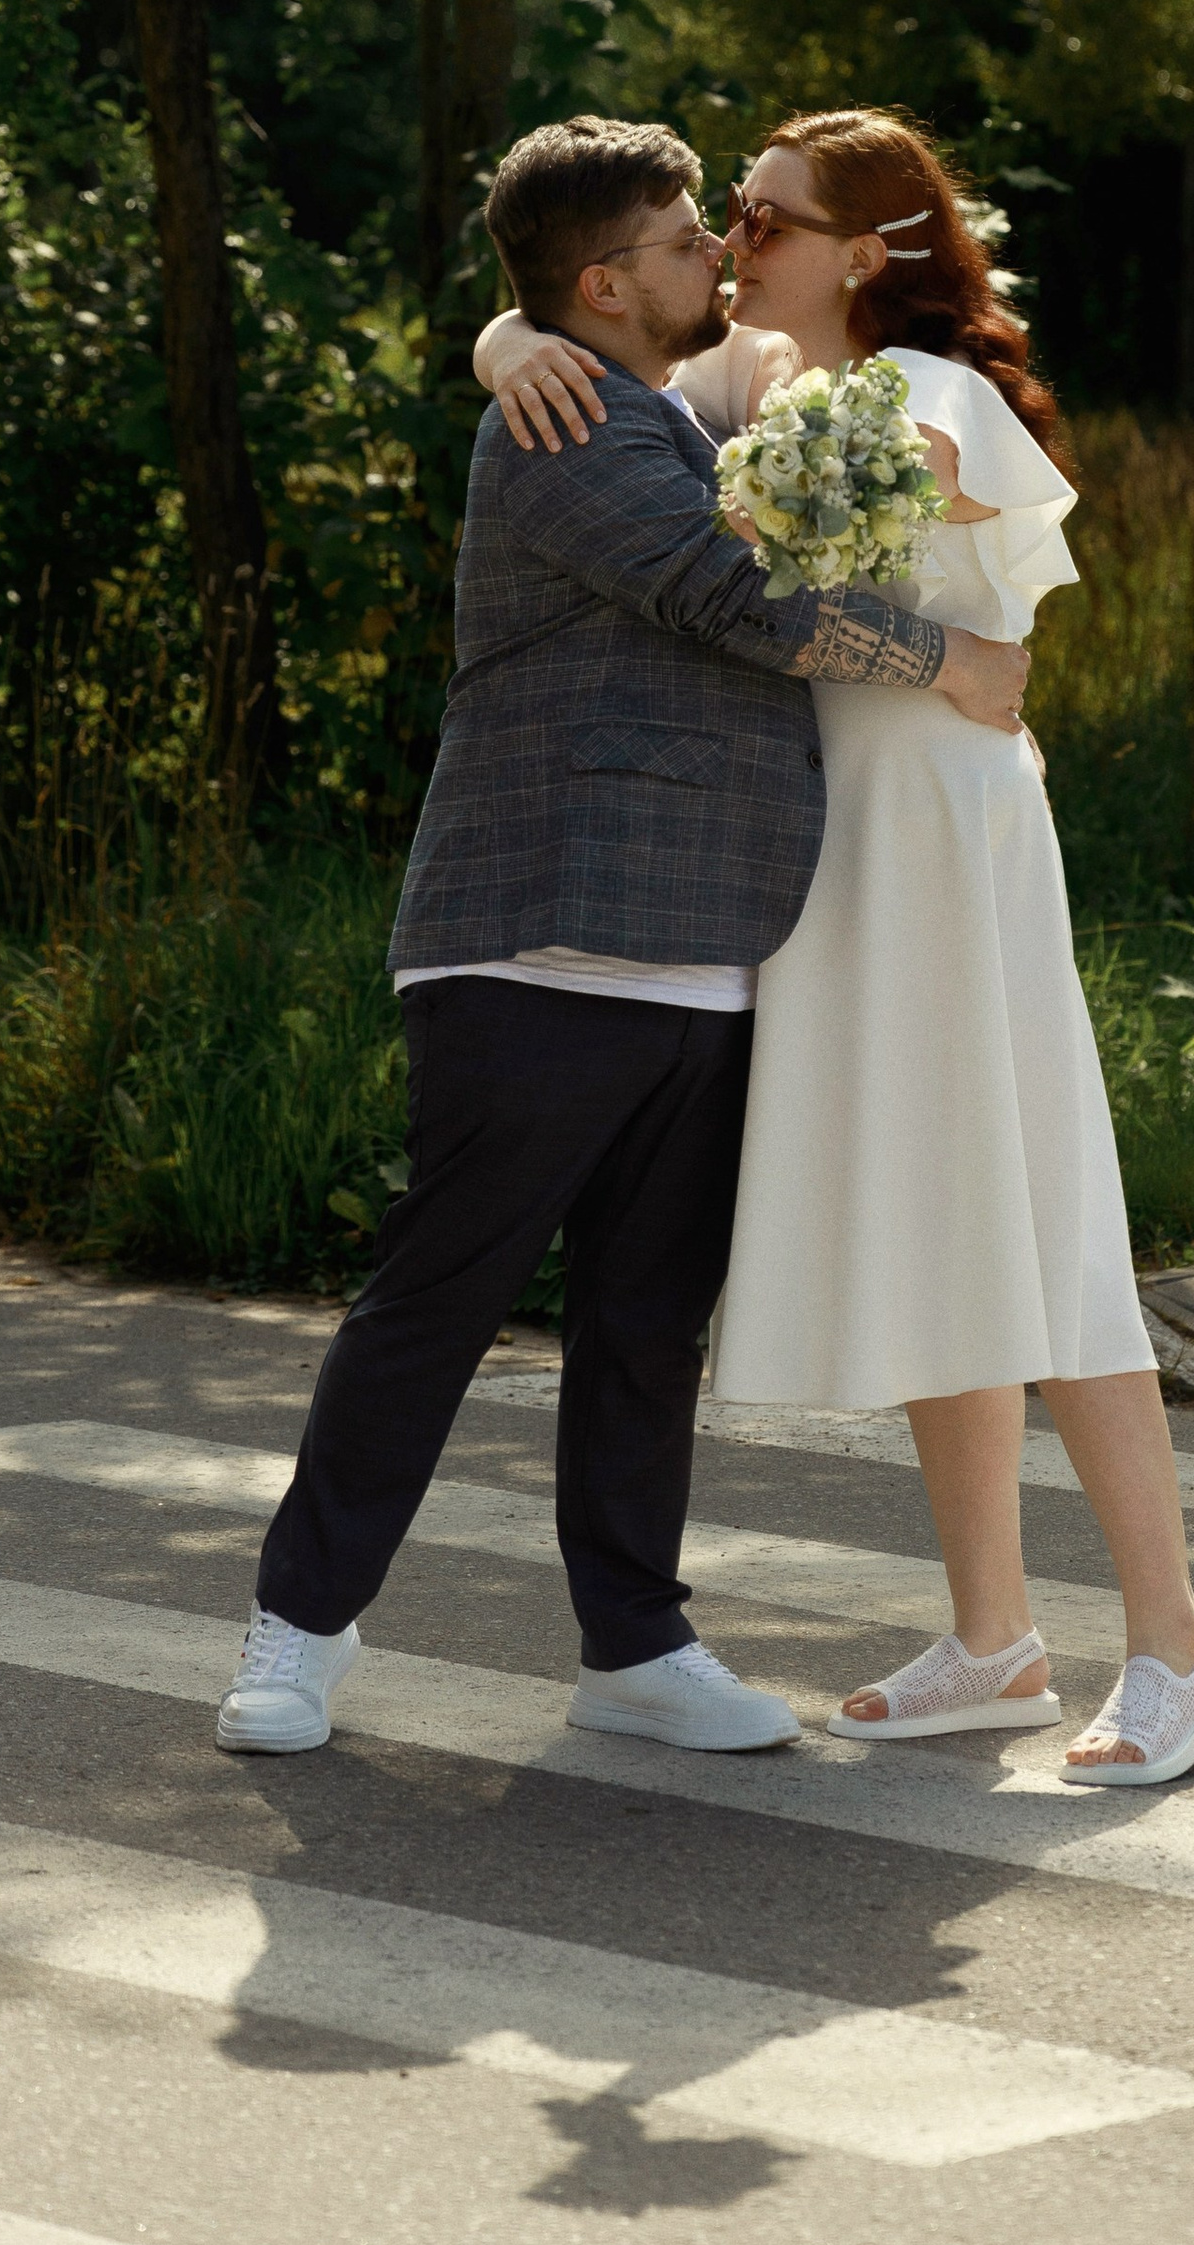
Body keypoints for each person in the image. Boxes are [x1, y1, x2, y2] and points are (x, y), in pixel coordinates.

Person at [216, 113, 1032, 1758]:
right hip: (541, 941)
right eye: (679, 243)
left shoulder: (648, 384)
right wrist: (946, 656)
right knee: (436, 1303)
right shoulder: (570, 421)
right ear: (603, 282)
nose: (716, 258)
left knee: (647, 1322)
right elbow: (725, 593)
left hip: (713, 950)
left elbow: (760, 392)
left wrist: (501, 324)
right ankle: (296, 1633)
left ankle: (635, 1643)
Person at [476, 108, 1194, 1788]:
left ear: (866, 248)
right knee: (935, 1208)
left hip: (949, 832)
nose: (735, 233)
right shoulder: (742, 385)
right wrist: (510, 332)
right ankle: (993, 1633)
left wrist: (870, 518)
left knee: (1043, 1213)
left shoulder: (930, 396)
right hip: (831, 846)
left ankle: (1178, 1644)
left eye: (766, 213)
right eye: (728, 213)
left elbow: (938, 511)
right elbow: (587, 329)